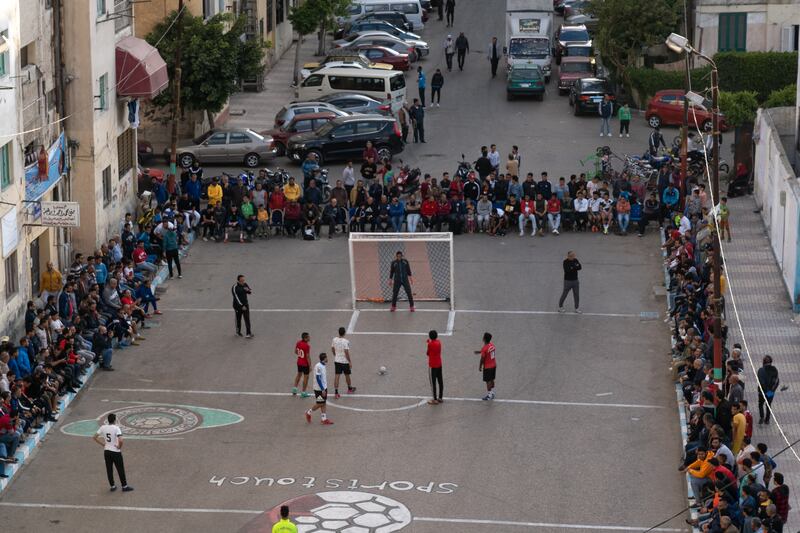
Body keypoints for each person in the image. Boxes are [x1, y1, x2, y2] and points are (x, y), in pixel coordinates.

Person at [93, 413, 133, 492]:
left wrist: (103, 444)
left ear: (108, 420)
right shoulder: (116, 428)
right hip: (115, 452)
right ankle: (124, 486)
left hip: (107, 451)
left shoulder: (103, 427)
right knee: (120, 469)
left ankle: (112, 486)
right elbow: (121, 440)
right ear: (114, 420)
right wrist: (119, 447)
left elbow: (94, 437)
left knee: (109, 469)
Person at [305, 353, 333, 425]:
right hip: (319, 389)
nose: (327, 359)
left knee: (323, 403)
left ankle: (324, 419)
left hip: (324, 387)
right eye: (326, 358)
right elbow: (318, 378)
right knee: (320, 403)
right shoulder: (318, 366)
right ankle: (308, 412)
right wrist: (322, 389)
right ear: (324, 359)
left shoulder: (323, 365)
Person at [332, 327, 355, 399]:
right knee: (347, 375)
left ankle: (336, 392)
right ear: (344, 333)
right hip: (344, 362)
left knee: (337, 376)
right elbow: (346, 352)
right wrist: (350, 361)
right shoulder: (346, 341)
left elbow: (332, 348)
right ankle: (349, 388)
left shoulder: (334, 339)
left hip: (337, 360)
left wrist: (335, 355)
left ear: (338, 332)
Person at [757, 355, 779, 424]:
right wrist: (772, 391)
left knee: (760, 404)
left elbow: (761, 382)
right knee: (768, 405)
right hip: (770, 392)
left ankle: (762, 417)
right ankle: (767, 419)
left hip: (762, 392)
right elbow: (777, 381)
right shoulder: (775, 369)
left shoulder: (761, 370)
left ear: (763, 362)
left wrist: (764, 390)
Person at [475, 332, 496, 400]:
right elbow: (486, 351)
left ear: (484, 339)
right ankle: (492, 392)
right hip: (494, 365)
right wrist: (479, 352)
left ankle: (489, 395)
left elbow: (482, 358)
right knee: (492, 379)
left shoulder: (484, 348)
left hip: (488, 367)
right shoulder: (492, 345)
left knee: (488, 381)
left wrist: (480, 366)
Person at [231, 274, 253, 338]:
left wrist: (248, 290)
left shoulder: (245, 284)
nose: (243, 281)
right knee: (238, 319)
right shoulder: (235, 287)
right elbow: (236, 297)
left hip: (245, 305)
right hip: (238, 306)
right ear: (238, 280)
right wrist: (241, 306)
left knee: (247, 319)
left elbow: (250, 292)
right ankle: (238, 332)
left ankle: (248, 333)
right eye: (242, 280)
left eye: (244, 280)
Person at [426, 330, 443, 404]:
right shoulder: (439, 342)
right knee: (440, 381)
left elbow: (428, 353)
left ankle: (434, 399)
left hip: (433, 365)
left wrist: (428, 343)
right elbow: (433, 343)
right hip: (439, 364)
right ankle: (440, 397)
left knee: (433, 383)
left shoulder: (430, 344)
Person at [292, 332, 311, 398]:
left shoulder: (298, 342)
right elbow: (308, 356)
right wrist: (310, 366)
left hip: (299, 362)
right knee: (306, 377)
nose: (309, 338)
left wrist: (300, 356)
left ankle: (294, 389)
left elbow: (295, 351)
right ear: (305, 338)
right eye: (308, 337)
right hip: (305, 364)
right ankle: (303, 392)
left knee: (299, 375)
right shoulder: (307, 346)